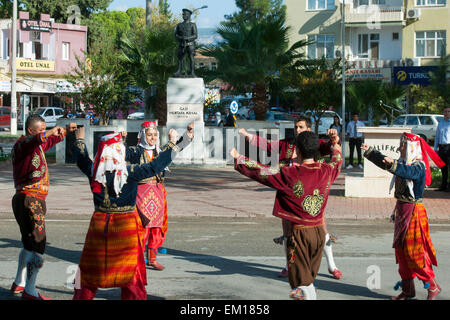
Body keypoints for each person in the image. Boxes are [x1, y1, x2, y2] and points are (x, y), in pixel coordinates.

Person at [71, 127, 188, 300]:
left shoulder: (94, 171)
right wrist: (173, 146)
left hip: (99, 224)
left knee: (89, 269)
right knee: (130, 272)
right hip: (124, 225)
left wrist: (79, 140)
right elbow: (155, 166)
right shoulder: (129, 172)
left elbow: (81, 158)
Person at [231, 131, 343, 300]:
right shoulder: (326, 171)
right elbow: (337, 160)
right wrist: (335, 148)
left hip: (299, 235)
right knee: (308, 280)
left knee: (301, 284)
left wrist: (239, 159)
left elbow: (263, 172)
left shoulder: (289, 174)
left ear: (296, 150)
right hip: (319, 233)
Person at [362, 132, 445, 300]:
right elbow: (388, 164)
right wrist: (371, 152)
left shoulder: (418, 166)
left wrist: (393, 164)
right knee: (401, 253)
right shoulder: (402, 163)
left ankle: (432, 286)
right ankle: (408, 290)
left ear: (412, 148)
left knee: (415, 254)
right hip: (401, 210)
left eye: (403, 145)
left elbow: (408, 172)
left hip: (414, 212)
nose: (400, 147)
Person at [11, 115, 76, 300]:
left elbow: (49, 139)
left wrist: (64, 130)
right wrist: (47, 132)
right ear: (31, 131)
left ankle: (20, 283)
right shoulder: (23, 144)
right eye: (40, 130)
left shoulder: (35, 147)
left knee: (29, 244)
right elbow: (39, 139)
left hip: (30, 199)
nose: (43, 133)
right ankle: (30, 290)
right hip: (30, 200)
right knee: (38, 245)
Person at [124, 121, 194, 270]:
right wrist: (121, 140)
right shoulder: (135, 151)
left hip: (157, 191)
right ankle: (137, 258)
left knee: (157, 226)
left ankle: (152, 257)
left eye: (155, 135)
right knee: (142, 225)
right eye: (149, 135)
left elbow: (176, 148)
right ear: (142, 135)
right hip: (141, 192)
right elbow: (121, 152)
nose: (153, 137)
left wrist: (187, 134)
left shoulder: (160, 152)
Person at [174, 8, 198, 77]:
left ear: (189, 15)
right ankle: (178, 71)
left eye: (185, 14)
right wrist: (180, 38)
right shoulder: (179, 25)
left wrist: (187, 38)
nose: (183, 15)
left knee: (191, 58)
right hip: (181, 44)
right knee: (180, 58)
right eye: (183, 14)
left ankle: (192, 72)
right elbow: (175, 35)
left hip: (190, 45)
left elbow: (195, 35)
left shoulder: (192, 25)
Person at [434, 107, 450, 191]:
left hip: (449, 146)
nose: (447, 113)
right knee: (443, 167)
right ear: (443, 113)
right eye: (445, 111)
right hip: (442, 147)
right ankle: (443, 186)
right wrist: (435, 147)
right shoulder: (440, 123)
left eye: (448, 111)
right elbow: (437, 136)